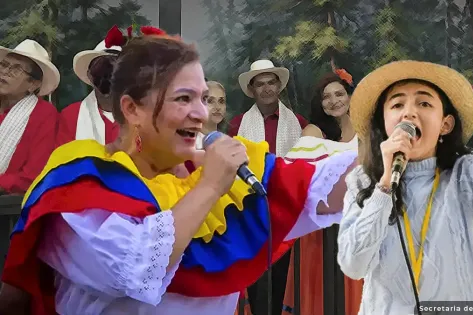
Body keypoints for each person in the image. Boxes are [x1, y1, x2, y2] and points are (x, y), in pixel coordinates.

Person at [0, 26, 357, 315]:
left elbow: (321, 186)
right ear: (133, 109)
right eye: (183, 98)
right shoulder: (80, 180)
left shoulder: (213, 172)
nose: (202, 113)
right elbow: (135, 269)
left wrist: (393, 126)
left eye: (203, 98)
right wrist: (210, 188)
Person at [337, 0, 473, 313]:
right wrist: (385, 185)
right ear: (383, 123)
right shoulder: (362, 181)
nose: (409, 112)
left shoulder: (464, 177)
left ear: (445, 124)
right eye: (397, 105)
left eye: (424, 104)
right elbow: (354, 265)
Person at [228, 59, 308, 315]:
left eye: (270, 82)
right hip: (252, 211)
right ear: (252, 90)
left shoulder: (298, 122)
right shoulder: (238, 124)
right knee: (257, 279)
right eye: (259, 84)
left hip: (286, 211)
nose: (266, 89)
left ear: (279, 86)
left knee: (284, 279)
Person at [282, 71, 362, 315]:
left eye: (339, 94)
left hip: (356, 223)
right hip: (320, 228)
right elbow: (296, 174)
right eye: (326, 97)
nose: (334, 101)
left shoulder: (366, 131)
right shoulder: (313, 133)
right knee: (321, 293)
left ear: (350, 97)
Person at [0, 39, 59, 195]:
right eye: (4, 65)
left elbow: (32, 177)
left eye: (16, 69)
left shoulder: (44, 114)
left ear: (33, 84)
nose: (5, 72)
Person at [57, 39, 121, 146]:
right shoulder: (71, 116)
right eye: (102, 69)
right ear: (90, 76)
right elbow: (63, 160)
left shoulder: (144, 116)